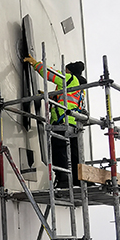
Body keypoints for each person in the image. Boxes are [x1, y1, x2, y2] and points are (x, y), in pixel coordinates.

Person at [23, 56, 86, 188]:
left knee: (58, 150)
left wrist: (36, 64)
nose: (64, 72)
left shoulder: (69, 78)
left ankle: (63, 180)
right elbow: (66, 99)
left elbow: (50, 74)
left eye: (66, 70)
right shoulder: (80, 88)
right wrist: (52, 96)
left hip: (63, 121)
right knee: (75, 155)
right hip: (74, 124)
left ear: (69, 71)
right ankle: (77, 180)